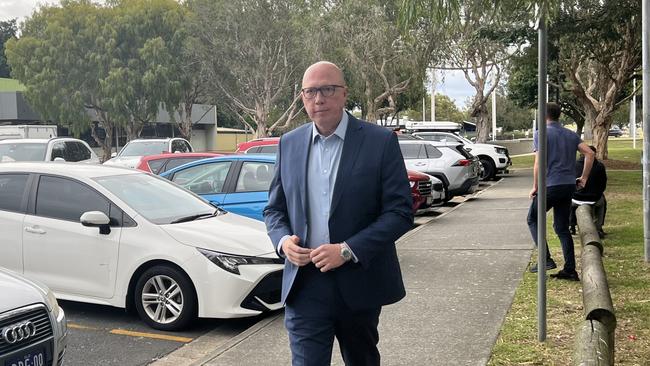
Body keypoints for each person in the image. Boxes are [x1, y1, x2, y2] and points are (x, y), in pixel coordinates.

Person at [264, 61, 413, 366]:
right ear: (303, 97)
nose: (318, 99)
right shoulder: (289, 143)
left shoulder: (380, 142)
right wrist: (282, 242)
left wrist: (347, 251)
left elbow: (399, 212)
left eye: (327, 90)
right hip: (305, 284)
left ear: (345, 94)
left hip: (359, 281)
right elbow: (274, 209)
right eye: (310, 92)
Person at [527, 102, 594, 281]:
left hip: (550, 185)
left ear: (543, 115)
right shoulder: (571, 135)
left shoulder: (540, 134)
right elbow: (590, 153)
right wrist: (584, 178)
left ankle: (546, 259)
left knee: (533, 219)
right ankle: (570, 269)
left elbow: (538, 163)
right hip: (568, 186)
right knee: (561, 227)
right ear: (558, 116)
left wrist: (535, 186)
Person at [569, 145, 607, 238]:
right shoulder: (600, 166)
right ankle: (598, 227)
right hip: (593, 198)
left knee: (569, 203)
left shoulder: (573, 165)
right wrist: (598, 193)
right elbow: (603, 184)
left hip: (576, 198)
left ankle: (571, 225)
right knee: (603, 203)